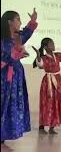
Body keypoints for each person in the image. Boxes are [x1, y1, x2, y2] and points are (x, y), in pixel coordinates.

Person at [1, 9, 38, 147]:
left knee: (12, 104)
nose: (20, 22)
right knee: (3, 103)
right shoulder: (3, 40)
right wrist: (15, 55)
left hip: (16, 77)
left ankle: (4, 135)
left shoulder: (17, 37)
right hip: (4, 77)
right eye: (18, 19)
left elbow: (27, 32)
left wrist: (33, 21)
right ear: (10, 22)